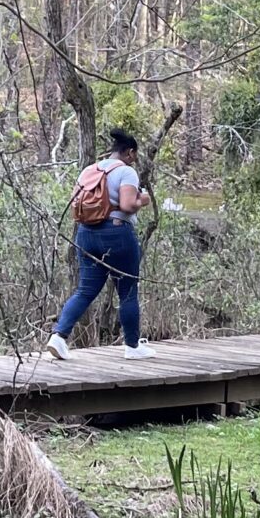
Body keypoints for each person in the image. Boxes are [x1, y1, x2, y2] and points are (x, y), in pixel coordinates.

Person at [48, 129, 153, 359]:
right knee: (127, 291)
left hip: (85, 233)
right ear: (130, 152)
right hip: (116, 234)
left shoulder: (90, 170)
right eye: (134, 155)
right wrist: (142, 199)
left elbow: (77, 202)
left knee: (85, 290)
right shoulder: (127, 172)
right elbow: (127, 205)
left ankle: (58, 337)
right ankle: (133, 347)